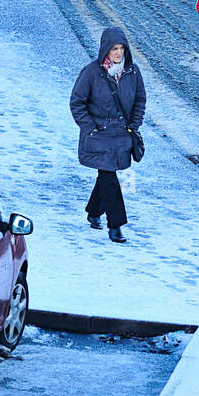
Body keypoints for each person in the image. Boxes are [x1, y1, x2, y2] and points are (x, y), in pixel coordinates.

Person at [69, 26, 146, 244]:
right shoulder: (91, 72)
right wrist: (90, 127)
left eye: (121, 48)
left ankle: (94, 211)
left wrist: (134, 124)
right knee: (109, 177)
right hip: (99, 135)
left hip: (122, 135)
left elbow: (140, 100)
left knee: (106, 174)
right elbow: (77, 102)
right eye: (114, 48)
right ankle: (116, 225)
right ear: (105, 49)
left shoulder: (133, 72)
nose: (118, 53)